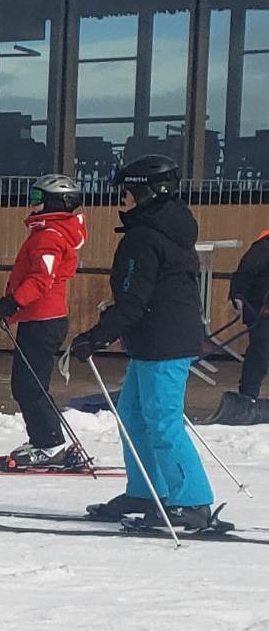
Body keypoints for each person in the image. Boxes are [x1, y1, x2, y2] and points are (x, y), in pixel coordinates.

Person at [72, 154, 217, 532]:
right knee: (134, 418)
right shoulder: (162, 229)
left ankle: (192, 500)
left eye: (129, 192)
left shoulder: (145, 237)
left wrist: (95, 337)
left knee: (163, 422)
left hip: (165, 343)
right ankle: (146, 491)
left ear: (150, 193)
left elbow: (133, 300)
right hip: (152, 341)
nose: (122, 199)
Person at [0, 175, 91, 470]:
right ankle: (45, 440)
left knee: (29, 386)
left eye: (39, 197)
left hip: (43, 320)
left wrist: (7, 305)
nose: (33, 203)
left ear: (57, 202)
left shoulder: (49, 236)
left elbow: (41, 279)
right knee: (28, 384)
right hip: (39, 318)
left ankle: (50, 444)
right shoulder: (48, 232)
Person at [214, 225, 269, 423]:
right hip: (261, 310)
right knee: (261, 353)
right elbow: (244, 272)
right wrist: (236, 295)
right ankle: (247, 397)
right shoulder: (265, 245)